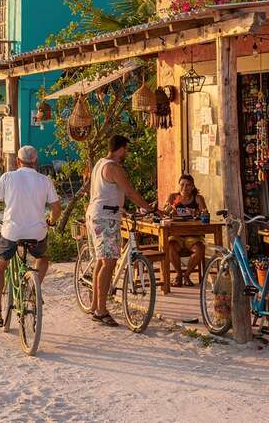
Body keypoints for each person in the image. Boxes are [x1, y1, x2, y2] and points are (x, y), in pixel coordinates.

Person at [0, 145, 62, 326]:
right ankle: (34, 289)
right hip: (37, 232)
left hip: (12, 232)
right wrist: (51, 221)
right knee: (42, 258)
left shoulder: (8, 177)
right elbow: (57, 208)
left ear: (18, 161)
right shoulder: (45, 180)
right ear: (35, 161)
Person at [86, 134, 154, 326]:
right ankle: (100, 310)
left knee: (103, 260)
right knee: (108, 262)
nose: (127, 153)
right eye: (127, 150)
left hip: (101, 214)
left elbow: (105, 192)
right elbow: (130, 191)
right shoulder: (114, 167)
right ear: (121, 149)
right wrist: (149, 208)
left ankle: (95, 305)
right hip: (105, 218)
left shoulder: (100, 163)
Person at [163, 174, 209, 287]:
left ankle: (186, 275)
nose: (185, 187)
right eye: (182, 184)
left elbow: (206, 216)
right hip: (176, 234)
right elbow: (164, 215)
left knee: (200, 248)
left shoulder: (198, 198)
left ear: (193, 186)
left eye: (188, 185)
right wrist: (171, 209)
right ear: (179, 185)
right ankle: (178, 275)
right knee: (170, 246)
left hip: (193, 235)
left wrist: (200, 214)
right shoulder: (173, 197)